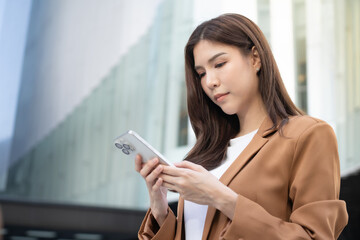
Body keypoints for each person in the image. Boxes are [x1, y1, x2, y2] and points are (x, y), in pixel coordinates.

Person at [135, 13, 348, 239]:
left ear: (255, 58)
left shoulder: (307, 135)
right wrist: (160, 211)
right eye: (201, 73)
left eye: (219, 64)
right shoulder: (205, 154)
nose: (210, 82)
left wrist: (222, 198)